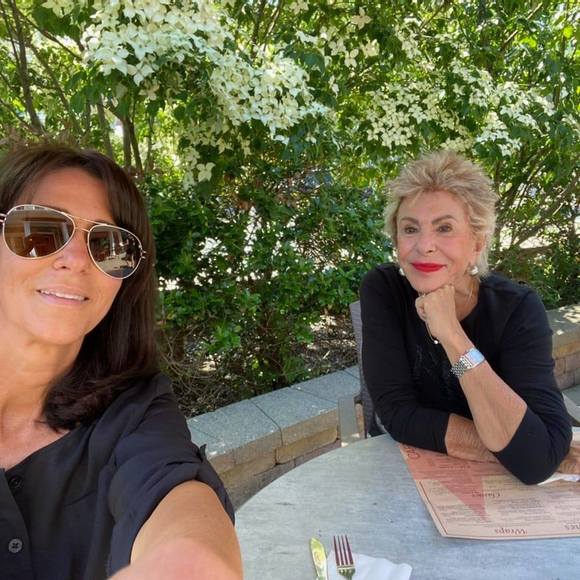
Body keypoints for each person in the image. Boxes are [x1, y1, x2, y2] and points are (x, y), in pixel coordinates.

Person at [0, 144, 242, 579]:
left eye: (108, 245)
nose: (77, 260)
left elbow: (171, 488)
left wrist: (190, 560)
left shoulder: (133, 411)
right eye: (40, 229)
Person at [360, 150, 577, 485]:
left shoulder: (517, 309)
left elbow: (539, 451)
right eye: (410, 229)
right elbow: (397, 415)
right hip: (401, 472)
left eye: (444, 228)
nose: (424, 245)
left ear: (477, 243)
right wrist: (514, 451)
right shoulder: (384, 289)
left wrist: (452, 335)